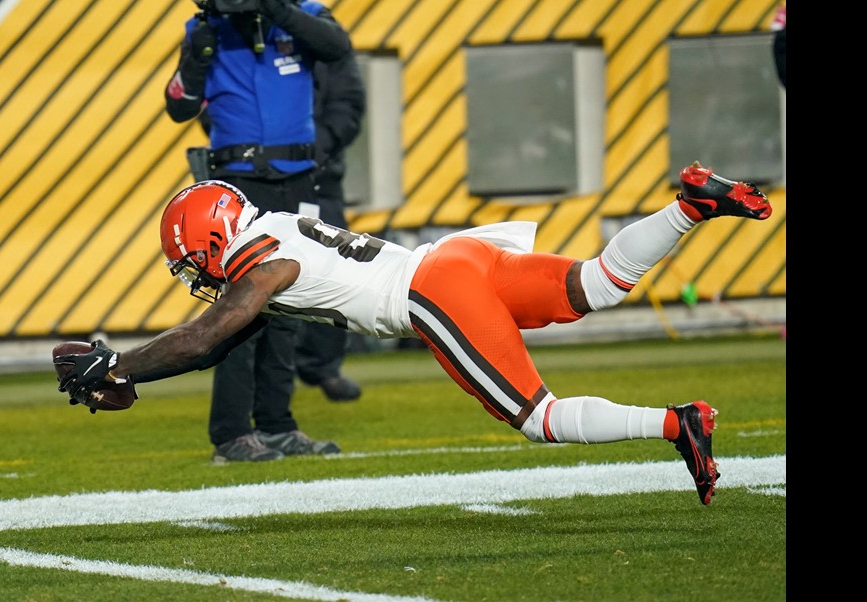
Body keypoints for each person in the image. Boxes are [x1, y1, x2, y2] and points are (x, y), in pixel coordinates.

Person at [56, 162, 772, 506]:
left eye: (193, 259)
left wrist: (114, 362)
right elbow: (217, 341)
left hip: (433, 291)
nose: (198, 272)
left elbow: (207, 332)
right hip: (457, 256)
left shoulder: (260, 264)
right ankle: (688, 207)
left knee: (538, 418)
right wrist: (124, 374)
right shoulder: (269, 232)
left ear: (213, 237)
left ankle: (678, 424)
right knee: (594, 284)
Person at [164, 0, 353, 463]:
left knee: (290, 307)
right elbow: (179, 105)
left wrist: (274, 8)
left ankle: (275, 425)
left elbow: (337, 48)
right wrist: (196, 55)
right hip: (238, 184)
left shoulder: (303, 14)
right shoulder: (206, 28)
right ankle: (230, 434)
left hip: (295, 178)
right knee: (238, 308)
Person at [294, 51, 366, 402]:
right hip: (259, 177)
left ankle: (322, 364)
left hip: (321, 180)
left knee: (335, 271)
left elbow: (348, 107)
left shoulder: (325, 41)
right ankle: (264, 372)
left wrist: (308, 149)